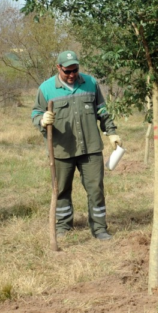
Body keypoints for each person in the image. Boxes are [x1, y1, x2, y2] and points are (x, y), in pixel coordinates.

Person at [31, 51, 121, 240]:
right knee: (62, 189)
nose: (72, 75)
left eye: (75, 70)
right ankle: (64, 226)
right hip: (61, 150)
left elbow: (102, 111)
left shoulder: (90, 83)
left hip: (91, 148)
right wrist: (41, 120)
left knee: (96, 189)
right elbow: (35, 112)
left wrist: (111, 132)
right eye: (67, 71)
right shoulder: (46, 88)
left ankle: (99, 229)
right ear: (58, 68)